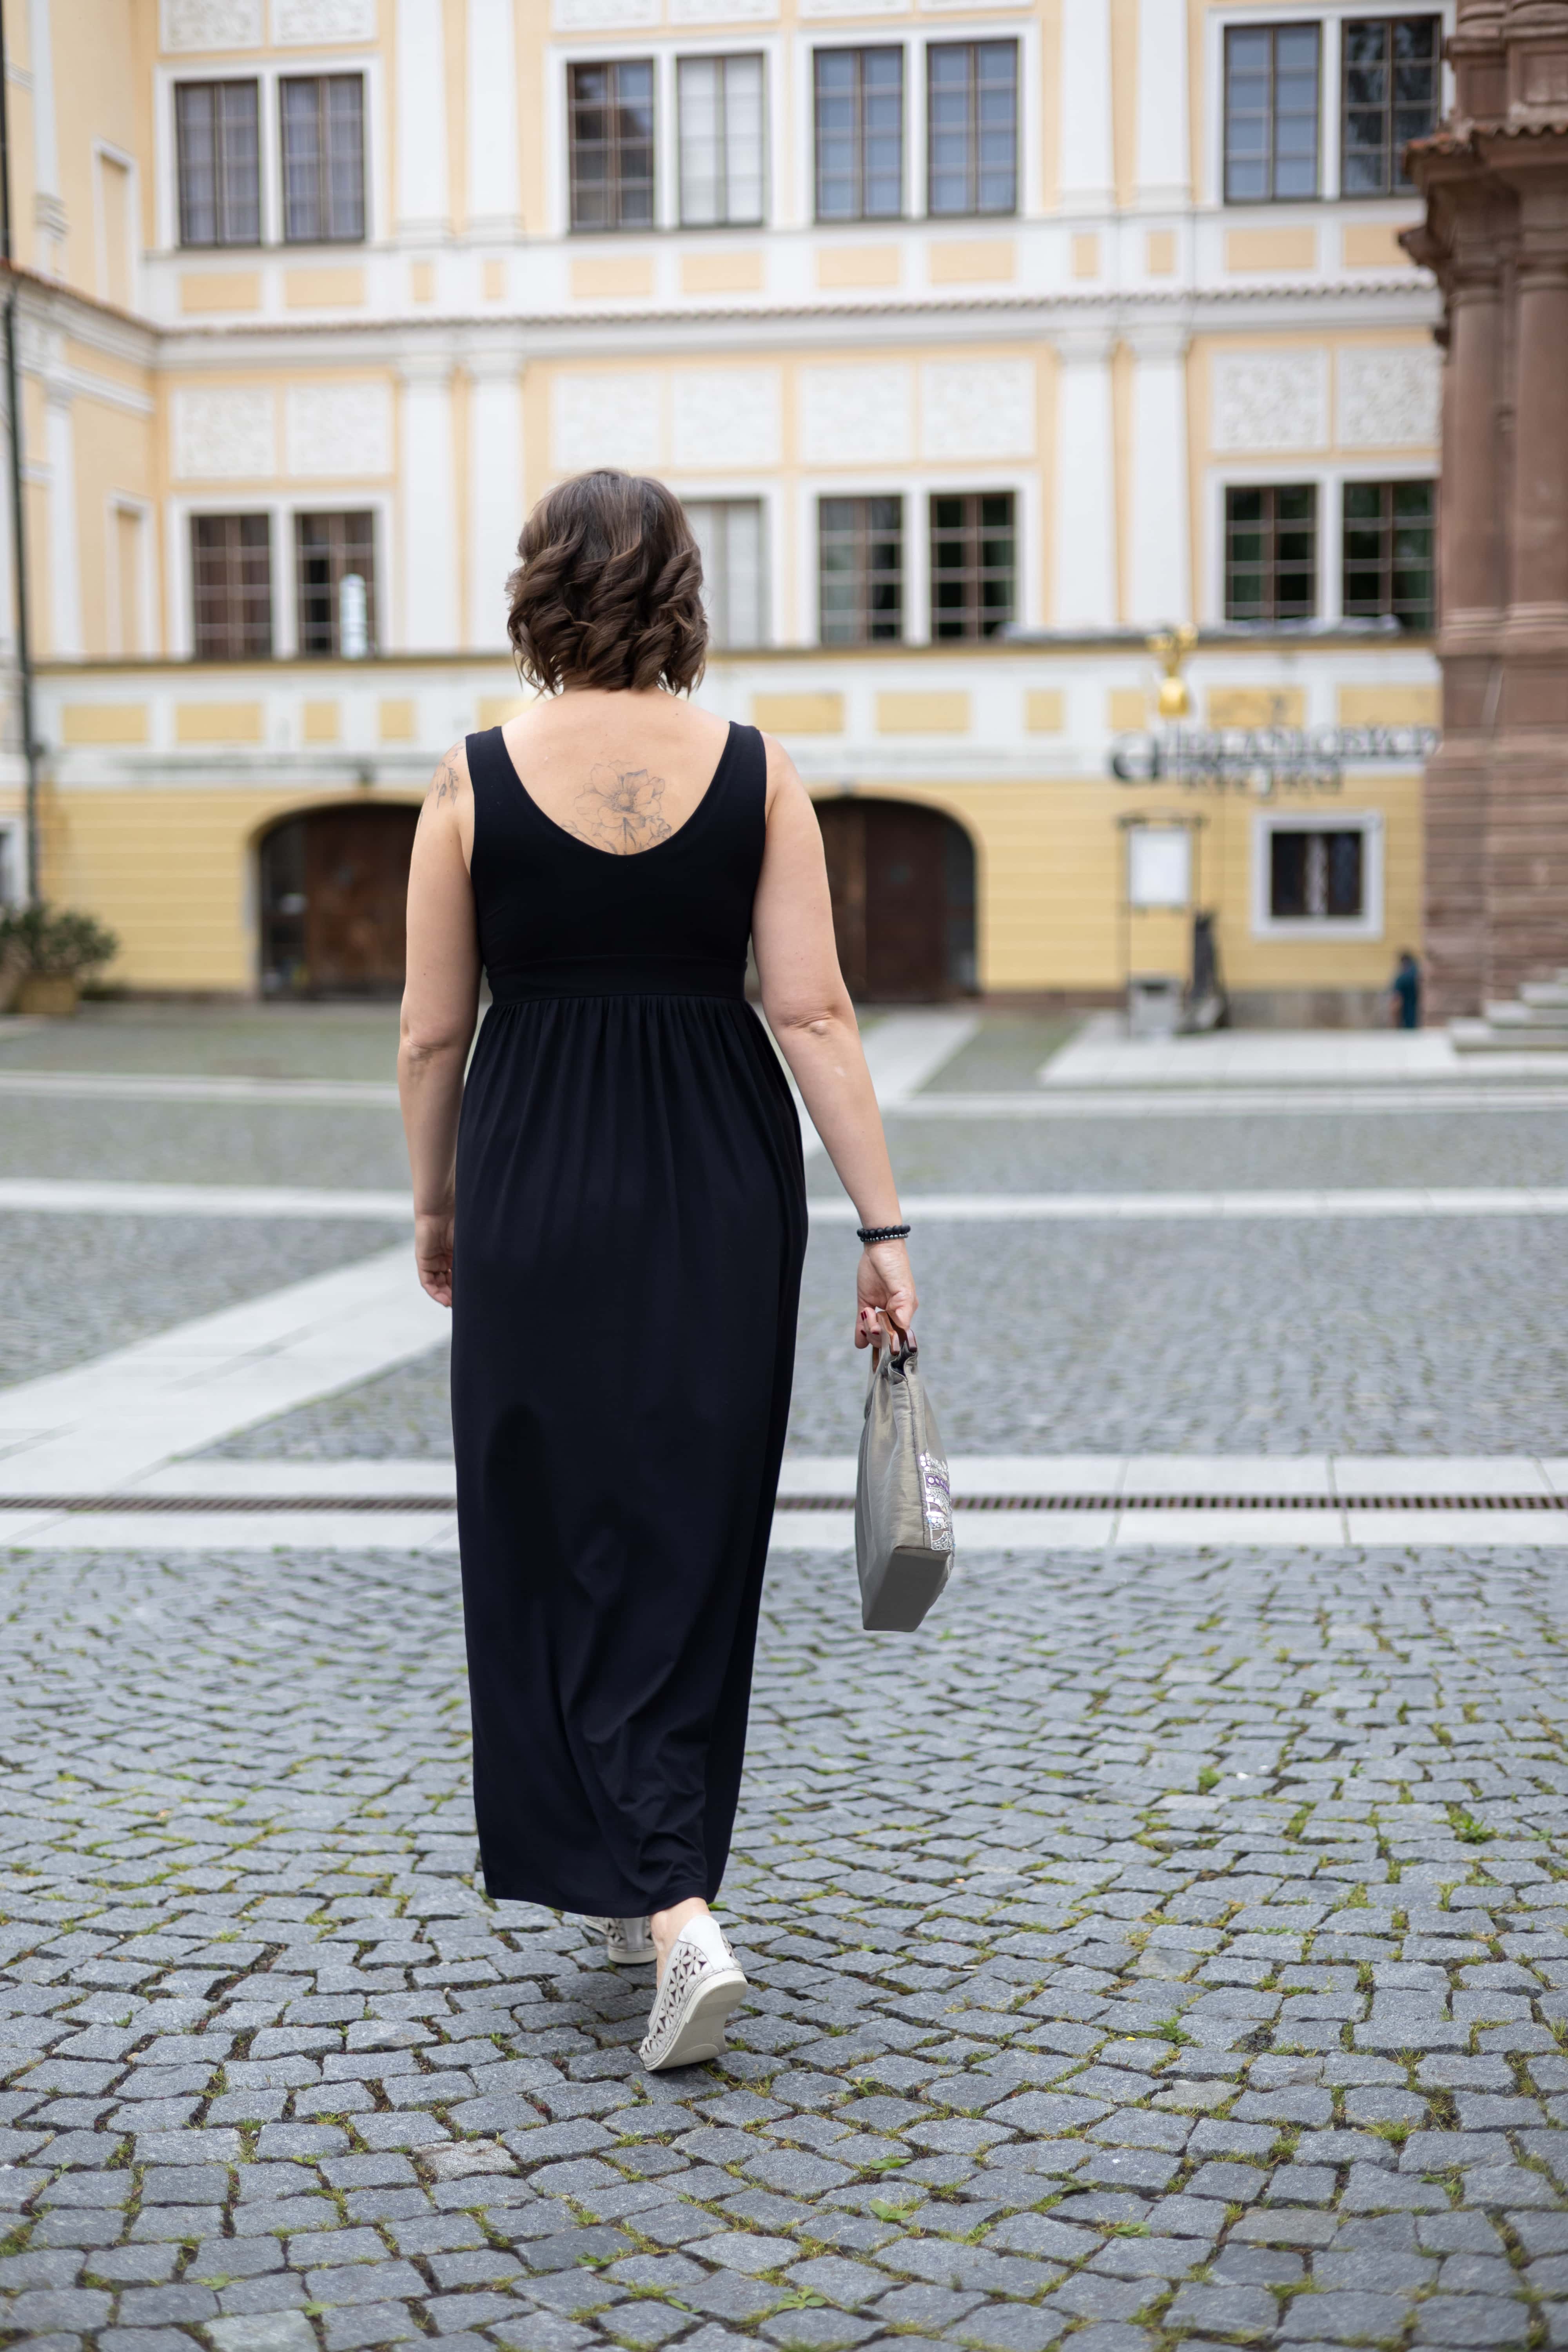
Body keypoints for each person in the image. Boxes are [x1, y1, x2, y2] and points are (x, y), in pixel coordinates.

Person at [397, 469, 917, 2073]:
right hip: (720, 1179)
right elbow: (812, 1012)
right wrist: (884, 1228)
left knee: (546, 1529)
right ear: (685, 593)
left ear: (538, 591)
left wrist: (437, 1208)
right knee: (693, 1528)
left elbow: (429, 1034)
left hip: (536, 1175)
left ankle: (672, 1904)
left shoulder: (470, 777)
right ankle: (659, 1869)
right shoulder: (759, 771)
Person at [1390, 949, 1421, 1030]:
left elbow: (1397, 999)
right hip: (1416, 1010)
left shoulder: (1402, 978)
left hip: (1406, 1012)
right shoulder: (1417, 973)